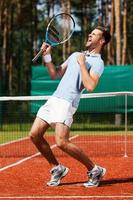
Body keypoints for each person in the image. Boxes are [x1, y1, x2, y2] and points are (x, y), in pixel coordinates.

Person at [30, 25, 111, 187]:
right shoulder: (75, 54)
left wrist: (82, 64)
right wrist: (47, 57)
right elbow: (55, 74)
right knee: (34, 135)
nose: (89, 35)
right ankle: (57, 167)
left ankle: (95, 169)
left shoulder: (98, 63)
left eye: (94, 34)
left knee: (61, 142)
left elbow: (89, 86)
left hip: (68, 102)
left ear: (101, 41)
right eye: (90, 32)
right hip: (54, 99)